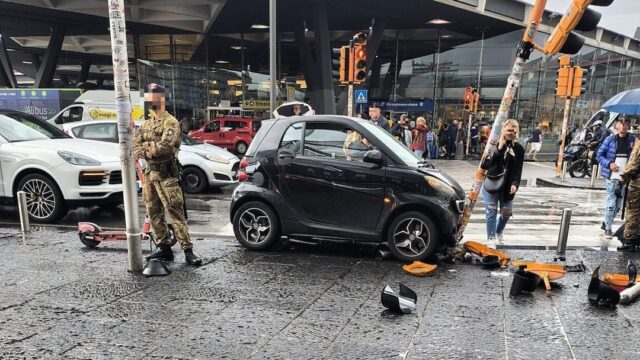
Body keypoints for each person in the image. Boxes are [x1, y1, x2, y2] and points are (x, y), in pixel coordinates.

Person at [134, 83, 202, 266]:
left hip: (167, 176)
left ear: (162, 99)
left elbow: (164, 148)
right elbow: (135, 146)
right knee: (153, 212)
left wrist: (146, 148)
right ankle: (164, 248)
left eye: (154, 96)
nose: (150, 99)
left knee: (175, 212)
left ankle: (188, 250)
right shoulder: (147, 124)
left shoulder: (170, 122)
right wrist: (149, 149)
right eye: (149, 96)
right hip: (149, 175)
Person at [480, 119, 525, 247]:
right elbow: (485, 164)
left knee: (507, 212)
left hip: (507, 186)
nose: (512, 133)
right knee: (491, 211)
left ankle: (499, 231)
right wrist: (499, 149)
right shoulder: (493, 145)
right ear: (503, 131)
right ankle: (491, 237)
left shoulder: (518, 149)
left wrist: (515, 184)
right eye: (509, 130)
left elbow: (518, 169)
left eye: (514, 130)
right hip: (492, 184)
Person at [596, 117, 636, 238]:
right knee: (611, 203)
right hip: (612, 175)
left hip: (626, 176)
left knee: (618, 206)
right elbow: (599, 155)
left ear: (629, 126)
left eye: (626, 124)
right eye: (621, 124)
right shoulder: (610, 139)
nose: (623, 126)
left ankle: (606, 222)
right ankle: (608, 228)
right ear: (617, 126)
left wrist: (635, 148)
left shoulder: (633, 140)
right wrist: (609, 164)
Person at [620, 138, 640, 251]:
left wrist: (621, 181)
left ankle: (630, 241)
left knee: (633, 211)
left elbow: (633, 164)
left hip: (637, 184)